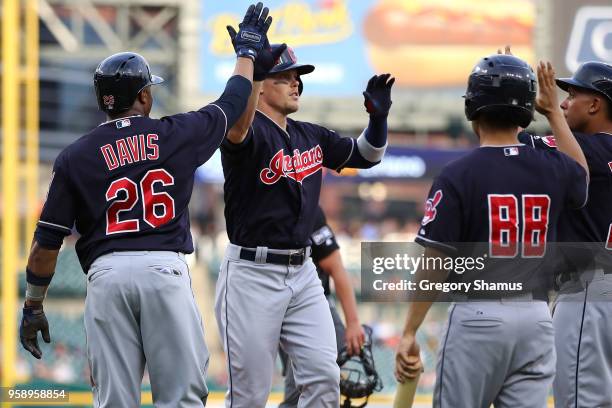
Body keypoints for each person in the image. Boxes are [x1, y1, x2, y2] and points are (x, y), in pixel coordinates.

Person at [18, 3, 274, 406]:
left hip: (106, 276)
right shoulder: (175, 134)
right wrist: (247, 52)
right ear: (143, 95)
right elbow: (232, 101)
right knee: (182, 397)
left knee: (115, 400)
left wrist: (33, 304)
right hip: (163, 270)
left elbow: (45, 244)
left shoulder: (75, 156)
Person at [394, 53, 589, 408]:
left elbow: (435, 260)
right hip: (536, 319)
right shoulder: (552, 166)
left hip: (478, 316)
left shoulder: (458, 174)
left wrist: (409, 330)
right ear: (527, 109)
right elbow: (582, 176)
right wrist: (554, 114)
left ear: (473, 105)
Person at [214, 40, 394, 407]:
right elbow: (236, 128)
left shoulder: (310, 135)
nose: (296, 83)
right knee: (249, 397)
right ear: (260, 85)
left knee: (325, 379)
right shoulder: (245, 134)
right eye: (285, 77)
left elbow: (367, 155)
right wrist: (248, 62)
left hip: (303, 273)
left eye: (298, 77)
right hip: (251, 274)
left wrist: (378, 120)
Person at [519, 61, 612, 408]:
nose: (562, 103)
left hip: (591, 291)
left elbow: (508, 140)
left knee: (580, 402)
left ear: (595, 104)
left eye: (572, 95)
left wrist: (513, 97)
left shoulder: (585, 148)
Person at [278, 206, 365, 408]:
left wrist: (353, 322)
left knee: (307, 387)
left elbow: (336, 267)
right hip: (275, 303)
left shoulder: (306, 207)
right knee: (298, 392)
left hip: (312, 305)